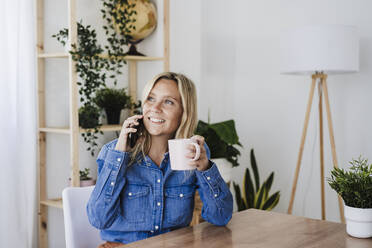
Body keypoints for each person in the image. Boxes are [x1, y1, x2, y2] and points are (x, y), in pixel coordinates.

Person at [87, 72, 233, 247]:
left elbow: (221, 217)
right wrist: (120, 156)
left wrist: (206, 168)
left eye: (168, 102)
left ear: (184, 112)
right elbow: (98, 219)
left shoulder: (193, 151)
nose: (155, 108)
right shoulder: (113, 151)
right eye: (150, 99)